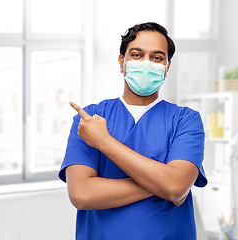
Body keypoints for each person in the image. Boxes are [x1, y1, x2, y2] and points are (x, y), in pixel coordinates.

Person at [59, 22, 207, 240]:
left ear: (167, 67)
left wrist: (104, 141)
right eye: (137, 54)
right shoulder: (89, 119)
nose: (147, 63)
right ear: (122, 62)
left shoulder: (185, 120)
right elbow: (82, 194)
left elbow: (175, 186)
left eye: (157, 58)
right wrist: (162, 185)